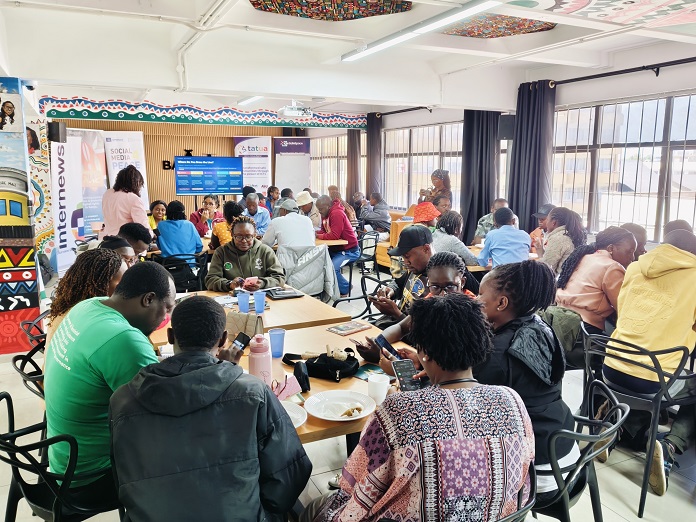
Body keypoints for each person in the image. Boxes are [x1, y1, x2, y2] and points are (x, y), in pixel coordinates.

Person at [300, 293, 535, 522]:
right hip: (502, 517)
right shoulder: (512, 400)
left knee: (314, 508)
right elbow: (523, 475)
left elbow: (357, 483)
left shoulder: (397, 410)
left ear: (423, 352)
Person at [110, 296, 312, 521]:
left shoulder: (122, 401)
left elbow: (123, 482)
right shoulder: (254, 393)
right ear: (224, 339)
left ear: (170, 336)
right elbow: (289, 478)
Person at [44, 262, 174, 506]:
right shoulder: (124, 339)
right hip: (90, 477)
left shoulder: (88, 306)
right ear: (148, 299)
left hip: (63, 457)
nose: (166, 318)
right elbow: (165, 413)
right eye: (167, 308)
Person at [475, 260, 580, 502]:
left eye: (481, 295)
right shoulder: (541, 326)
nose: (476, 301)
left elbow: (465, 406)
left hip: (539, 474)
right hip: (565, 452)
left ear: (501, 303)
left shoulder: (497, 354)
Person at [604, 229, 696, 495]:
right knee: (680, 381)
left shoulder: (635, 267)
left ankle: (617, 430)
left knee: (646, 368)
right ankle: (670, 445)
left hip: (610, 368)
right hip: (652, 381)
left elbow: (624, 310)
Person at [356, 251, 479, 367]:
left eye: (450, 286)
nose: (443, 294)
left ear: (462, 282)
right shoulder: (430, 299)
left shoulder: (472, 310)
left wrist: (422, 362)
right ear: (428, 283)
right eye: (435, 287)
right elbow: (402, 327)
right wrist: (378, 343)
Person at [555, 226, 637, 333]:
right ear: (611, 249)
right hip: (583, 327)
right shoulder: (612, 267)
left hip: (558, 319)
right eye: (629, 252)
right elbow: (623, 307)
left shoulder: (583, 257)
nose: (633, 257)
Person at [46, 249, 127, 346]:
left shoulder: (70, 305)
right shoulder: (90, 321)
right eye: (122, 283)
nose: (126, 287)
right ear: (100, 284)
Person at [370, 226, 432, 324]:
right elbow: (398, 283)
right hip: (391, 324)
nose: (406, 262)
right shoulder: (415, 268)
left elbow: (422, 330)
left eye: (407, 256)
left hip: (406, 330)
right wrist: (391, 290)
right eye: (403, 257)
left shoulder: (438, 281)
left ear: (426, 249)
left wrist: (396, 313)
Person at [206, 216, 285, 292]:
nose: (244, 241)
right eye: (239, 237)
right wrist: (229, 284)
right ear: (232, 235)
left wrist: (263, 283)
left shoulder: (265, 251)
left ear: (255, 235)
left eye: (248, 236)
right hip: (231, 297)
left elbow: (279, 278)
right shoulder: (221, 252)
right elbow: (211, 280)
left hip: (260, 297)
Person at [315, 195, 360, 297]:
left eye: (321, 209)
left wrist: (318, 235)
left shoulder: (336, 213)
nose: (319, 212)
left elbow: (334, 235)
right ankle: (325, 288)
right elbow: (324, 231)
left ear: (328, 206)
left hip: (349, 251)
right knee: (318, 262)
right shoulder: (325, 214)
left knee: (332, 267)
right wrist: (315, 233)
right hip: (336, 249)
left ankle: (346, 288)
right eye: (318, 209)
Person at [101, 165, 150, 238]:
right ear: (136, 183)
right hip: (126, 241)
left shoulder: (107, 194)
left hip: (107, 238)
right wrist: (151, 235)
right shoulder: (133, 199)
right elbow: (143, 226)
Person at [537, 206, 586, 275]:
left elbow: (545, 269)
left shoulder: (558, 238)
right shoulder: (568, 235)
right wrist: (540, 251)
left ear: (553, 222)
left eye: (547, 220)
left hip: (560, 280)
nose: (546, 223)